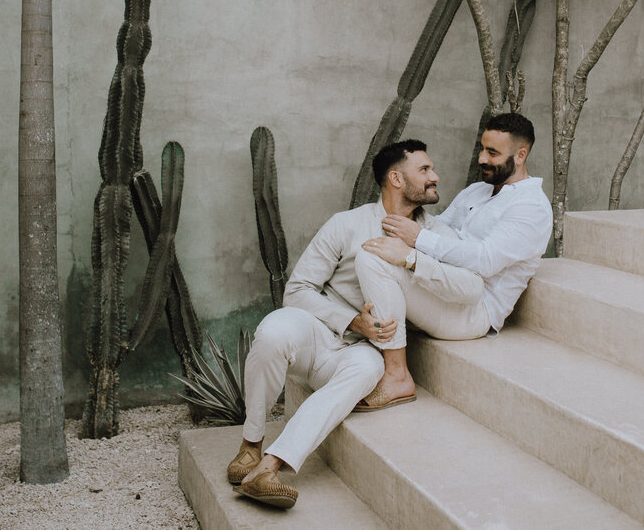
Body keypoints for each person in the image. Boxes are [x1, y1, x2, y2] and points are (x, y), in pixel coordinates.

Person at [228, 139, 462, 509]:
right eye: (425, 170)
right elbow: (298, 289)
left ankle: (270, 469)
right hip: (319, 333)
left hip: (365, 354)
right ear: (396, 179)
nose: (435, 176)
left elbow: (454, 283)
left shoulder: (435, 236)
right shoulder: (346, 224)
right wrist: (353, 320)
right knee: (274, 329)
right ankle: (250, 446)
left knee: (366, 371)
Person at [356, 111, 553, 411]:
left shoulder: (531, 207)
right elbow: (438, 228)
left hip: (475, 310)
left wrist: (415, 242)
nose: (482, 159)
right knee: (376, 250)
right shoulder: (478, 190)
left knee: (376, 261)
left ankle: (397, 376)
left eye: (492, 153)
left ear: (521, 155)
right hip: (444, 284)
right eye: (482, 149)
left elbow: (485, 260)